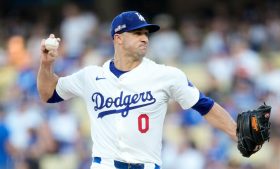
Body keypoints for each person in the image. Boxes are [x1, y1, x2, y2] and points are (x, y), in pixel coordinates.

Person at [37, 11, 237, 169]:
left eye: (146, 34)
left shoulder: (166, 75)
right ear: (118, 39)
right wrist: (46, 65)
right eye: (137, 33)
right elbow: (48, 94)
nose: (145, 38)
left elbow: (206, 106)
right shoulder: (91, 76)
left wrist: (237, 133)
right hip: (104, 165)